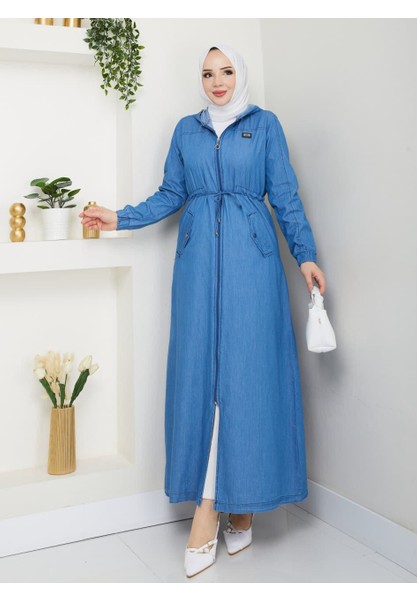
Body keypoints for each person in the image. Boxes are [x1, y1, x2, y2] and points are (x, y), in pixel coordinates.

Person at [80, 42, 326, 578]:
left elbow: (285, 196)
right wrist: (120, 217)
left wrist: (305, 255)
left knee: (248, 381)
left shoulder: (265, 125)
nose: (218, 81)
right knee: (201, 380)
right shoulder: (185, 131)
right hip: (196, 269)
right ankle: (222, 505)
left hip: (253, 268)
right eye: (209, 73)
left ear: (241, 75)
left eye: (227, 71)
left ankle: (224, 509)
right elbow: (171, 193)